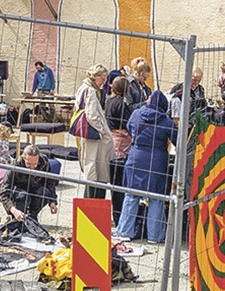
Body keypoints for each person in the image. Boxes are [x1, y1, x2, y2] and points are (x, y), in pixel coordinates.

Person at [118, 91, 177, 244]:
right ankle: (154, 235)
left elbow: (129, 127)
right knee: (156, 198)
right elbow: (178, 139)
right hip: (156, 160)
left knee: (131, 194)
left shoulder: (136, 114)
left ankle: (124, 231)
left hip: (135, 157)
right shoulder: (166, 121)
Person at [74, 64, 111, 199]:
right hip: (93, 136)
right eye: (103, 78)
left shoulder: (83, 88)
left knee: (93, 170)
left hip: (88, 135)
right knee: (94, 170)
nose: (104, 81)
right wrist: (103, 131)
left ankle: (90, 203)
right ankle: (92, 204)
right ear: (95, 77)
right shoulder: (90, 90)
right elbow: (92, 116)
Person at [0, 144, 57, 222]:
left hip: (35, 189)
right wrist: (13, 210)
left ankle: (32, 217)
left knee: (44, 192)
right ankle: (17, 218)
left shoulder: (44, 163)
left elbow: (50, 183)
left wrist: (52, 201)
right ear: (23, 158)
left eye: (35, 164)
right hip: (19, 192)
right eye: (28, 164)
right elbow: (4, 192)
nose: (32, 167)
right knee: (23, 196)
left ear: (38, 158)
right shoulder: (15, 165)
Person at [104, 75, 131, 226]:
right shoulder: (121, 104)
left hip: (111, 141)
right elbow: (128, 124)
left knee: (114, 183)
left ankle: (116, 215)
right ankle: (120, 216)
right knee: (120, 184)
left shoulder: (109, 101)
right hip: (121, 143)